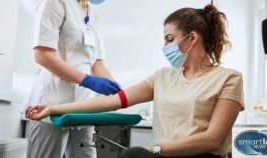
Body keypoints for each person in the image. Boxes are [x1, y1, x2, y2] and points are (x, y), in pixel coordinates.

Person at [26, 4, 244, 158]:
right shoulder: (163, 77)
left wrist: (156, 149)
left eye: (169, 39)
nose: (164, 46)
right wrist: (54, 107)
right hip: (54, 95)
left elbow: (213, 140)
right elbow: (112, 101)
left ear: (193, 38)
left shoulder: (228, 78)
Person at [25, 0, 121, 158]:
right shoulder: (55, 2)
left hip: (83, 108)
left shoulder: (93, 14)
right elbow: (42, 55)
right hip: (52, 102)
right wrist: (87, 80)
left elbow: (97, 63)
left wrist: (121, 94)